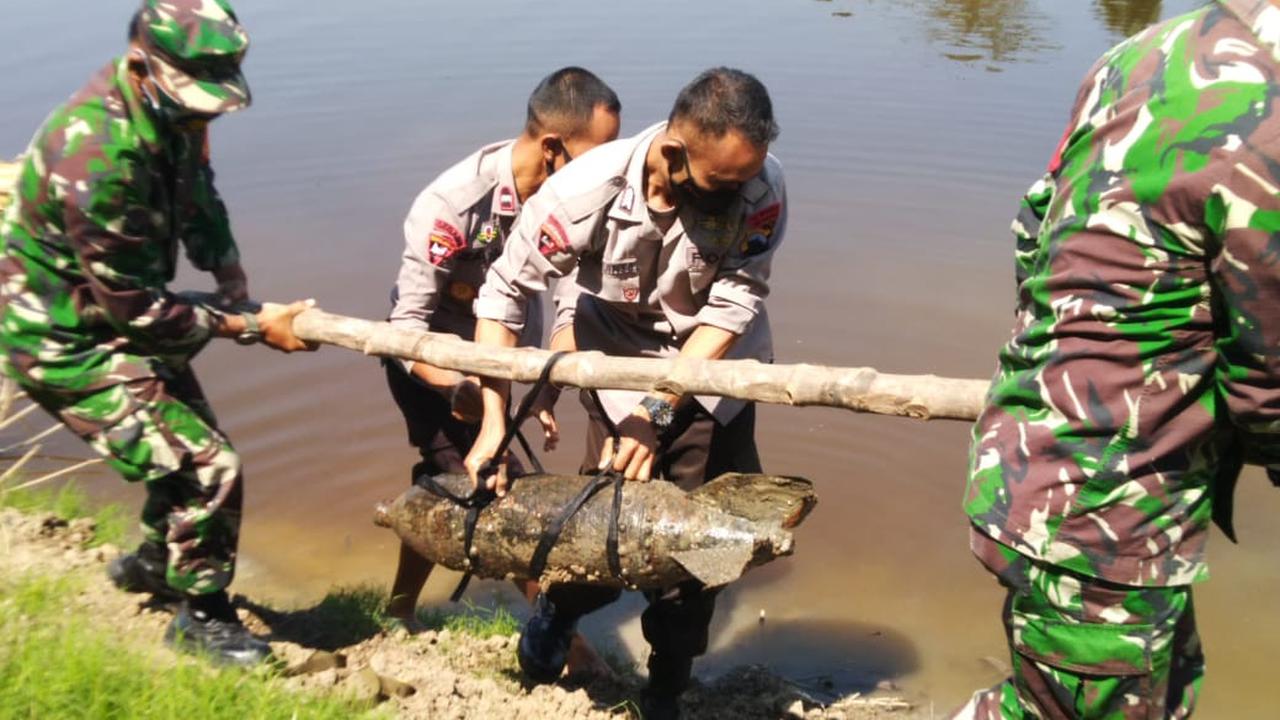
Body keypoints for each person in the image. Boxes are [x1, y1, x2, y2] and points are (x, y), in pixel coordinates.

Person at [954, 1, 1280, 717]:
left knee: (1156, 694)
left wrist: (1065, 360)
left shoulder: (1135, 56)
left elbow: (1034, 221)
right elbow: (1269, 374)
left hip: (1028, 462)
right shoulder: (1272, 112)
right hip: (1104, 511)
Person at [0, 0, 315, 666]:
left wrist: (227, 266)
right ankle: (201, 618)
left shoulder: (169, 111)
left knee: (187, 445)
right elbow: (136, 311)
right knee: (209, 466)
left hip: (113, 311)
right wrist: (250, 325)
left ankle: (154, 561)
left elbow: (196, 189)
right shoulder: (97, 152)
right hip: (61, 336)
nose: (205, 113)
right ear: (143, 64)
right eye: (196, 98)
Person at [464, 67, 786, 719]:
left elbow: (736, 300)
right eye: (721, 184)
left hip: (714, 367)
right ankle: (559, 608)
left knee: (705, 542)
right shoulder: (583, 193)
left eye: (745, 179)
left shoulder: (763, 186)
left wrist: (659, 409)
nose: (738, 195)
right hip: (616, 361)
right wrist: (493, 421)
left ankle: (666, 685)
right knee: (604, 526)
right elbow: (501, 296)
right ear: (672, 155)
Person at [383, 67, 620, 675]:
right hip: (432, 365)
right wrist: (460, 388)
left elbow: (566, 295)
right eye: (594, 158)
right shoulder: (451, 205)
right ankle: (565, 645)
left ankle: (399, 609)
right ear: (552, 148)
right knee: (499, 485)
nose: (607, 175)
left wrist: (542, 385)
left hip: (506, 360)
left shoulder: (572, 202)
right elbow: (405, 330)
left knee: (448, 484)